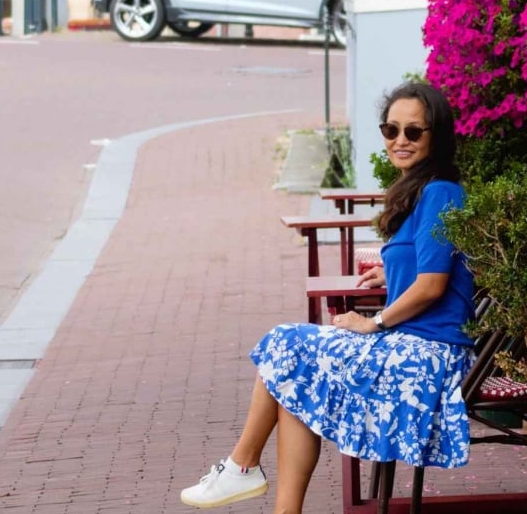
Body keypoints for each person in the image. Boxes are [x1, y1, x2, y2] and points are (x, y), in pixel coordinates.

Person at [180, 81, 475, 512]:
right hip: (412, 344)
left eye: (414, 131)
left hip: (431, 355)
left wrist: (374, 322)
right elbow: (430, 268)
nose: (400, 140)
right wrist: (392, 274)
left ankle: (242, 467)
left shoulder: (440, 192)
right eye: (391, 130)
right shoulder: (421, 192)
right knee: (295, 377)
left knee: (286, 346)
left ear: (437, 136)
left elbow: (432, 286)